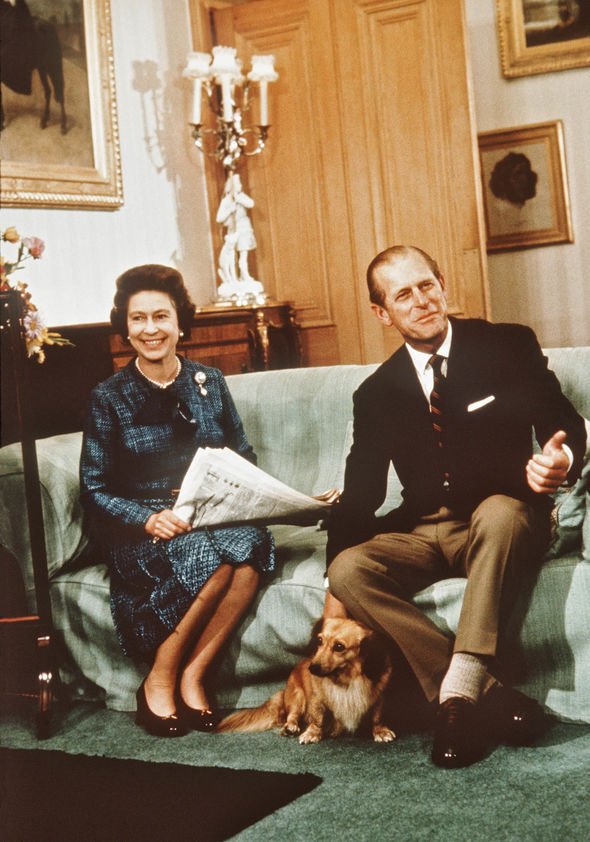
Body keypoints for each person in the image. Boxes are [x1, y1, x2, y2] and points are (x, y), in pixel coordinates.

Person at [326, 245, 586, 768]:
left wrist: (561, 461)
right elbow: (361, 495)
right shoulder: (375, 393)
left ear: (442, 284)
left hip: (503, 517)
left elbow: (563, 424)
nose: (421, 301)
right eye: (403, 294)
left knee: (499, 512)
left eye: (427, 285)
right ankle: (485, 695)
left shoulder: (507, 345)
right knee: (349, 568)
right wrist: (334, 590)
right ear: (382, 313)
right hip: (423, 531)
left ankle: (457, 697)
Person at [80, 264, 275, 737]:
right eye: (139, 318)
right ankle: (159, 680)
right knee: (214, 560)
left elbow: (242, 455)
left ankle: (192, 676)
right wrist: (147, 519)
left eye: (161, 316)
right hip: (142, 529)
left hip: (207, 514)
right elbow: (95, 488)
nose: (151, 329)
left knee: (251, 547)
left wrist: (233, 494)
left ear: (180, 323)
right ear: (126, 328)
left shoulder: (209, 381)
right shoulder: (108, 397)